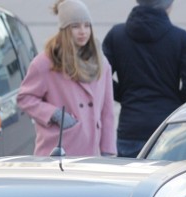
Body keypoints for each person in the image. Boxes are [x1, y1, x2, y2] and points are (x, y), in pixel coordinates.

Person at [102, 0, 186, 158]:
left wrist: (124, 95)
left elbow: (101, 77)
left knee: (130, 180)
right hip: (168, 127)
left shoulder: (117, 35)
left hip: (131, 125)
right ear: (168, 6)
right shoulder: (181, 38)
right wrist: (173, 101)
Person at [17, 0, 116, 157]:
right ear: (64, 29)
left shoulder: (101, 63)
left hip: (92, 153)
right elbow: (25, 98)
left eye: (87, 25)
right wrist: (56, 115)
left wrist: (108, 151)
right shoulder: (46, 62)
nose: (83, 31)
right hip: (58, 150)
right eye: (75, 26)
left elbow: (107, 111)